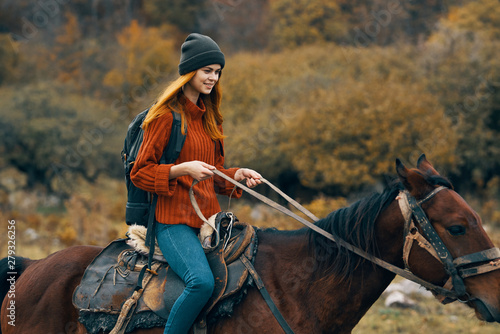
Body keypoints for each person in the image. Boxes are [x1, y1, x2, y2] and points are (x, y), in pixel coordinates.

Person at [130, 33, 261, 334]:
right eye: (207, 70)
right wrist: (180, 169)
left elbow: (212, 174)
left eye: (217, 71)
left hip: (209, 221)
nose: (213, 77)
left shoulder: (210, 118)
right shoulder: (165, 117)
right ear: (190, 72)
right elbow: (140, 172)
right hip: (172, 223)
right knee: (201, 283)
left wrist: (236, 174)